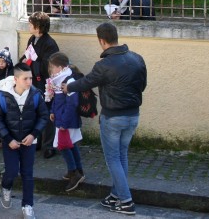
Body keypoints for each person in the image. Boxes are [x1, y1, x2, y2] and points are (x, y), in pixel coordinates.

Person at [63, 22, 147, 215]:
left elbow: (86, 82)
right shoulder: (137, 59)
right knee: (121, 155)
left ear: (101, 41)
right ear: (116, 36)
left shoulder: (103, 65)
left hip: (113, 118)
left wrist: (68, 87)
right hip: (133, 115)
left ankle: (126, 201)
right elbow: (142, 85)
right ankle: (116, 195)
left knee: (113, 159)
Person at [0, 63, 49, 219]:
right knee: (11, 171)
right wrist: (8, 138)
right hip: (10, 142)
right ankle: (6, 186)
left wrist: (34, 135)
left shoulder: (36, 94)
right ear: (16, 79)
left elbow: (44, 116)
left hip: (29, 141)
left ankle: (27, 206)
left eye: (30, 78)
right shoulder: (3, 96)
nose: (30, 82)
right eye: (26, 79)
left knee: (27, 174)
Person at [20, 11, 59, 159]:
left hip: (45, 83)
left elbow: (49, 66)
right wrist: (24, 61)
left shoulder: (50, 44)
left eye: (31, 24)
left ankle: (49, 146)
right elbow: (27, 55)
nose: (29, 26)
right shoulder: (32, 39)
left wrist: (32, 61)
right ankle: (38, 141)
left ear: (38, 27)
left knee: (47, 114)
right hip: (33, 82)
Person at [47, 52, 85, 192]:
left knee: (62, 146)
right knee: (71, 144)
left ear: (61, 67)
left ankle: (74, 172)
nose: (51, 70)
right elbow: (57, 99)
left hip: (67, 120)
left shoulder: (69, 81)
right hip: (62, 118)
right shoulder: (58, 80)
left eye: (53, 67)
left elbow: (72, 104)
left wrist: (63, 122)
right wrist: (52, 111)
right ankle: (78, 170)